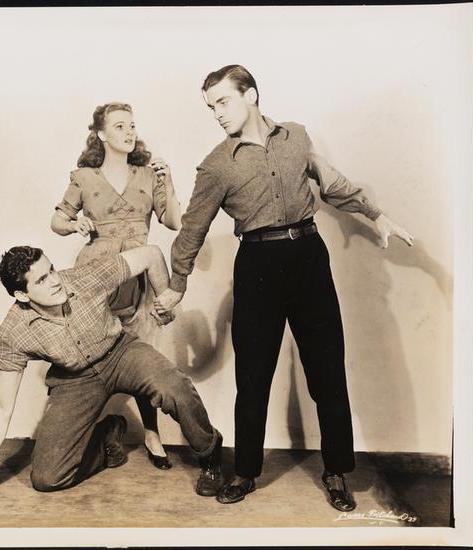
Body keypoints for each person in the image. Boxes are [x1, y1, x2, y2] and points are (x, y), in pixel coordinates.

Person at [154, 65, 413, 510]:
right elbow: (193, 228)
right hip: (257, 266)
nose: (217, 114)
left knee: (327, 371)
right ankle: (245, 471)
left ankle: (336, 471)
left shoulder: (296, 136)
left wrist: (376, 215)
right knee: (253, 376)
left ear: (251, 95)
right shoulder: (216, 165)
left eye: (223, 102)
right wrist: (177, 285)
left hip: (309, 257)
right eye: (211, 107)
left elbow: (332, 183)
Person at [0, 244, 223, 504]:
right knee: (47, 478)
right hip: (75, 379)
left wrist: (164, 299)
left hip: (120, 352)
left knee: (174, 386)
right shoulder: (13, 333)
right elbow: (1, 406)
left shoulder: (86, 277)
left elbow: (151, 254)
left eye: (52, 270)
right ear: (22, 295)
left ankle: (210, 455)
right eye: (42, 280)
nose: (55, 281)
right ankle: (107, 436)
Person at [50, 102, 182, 469]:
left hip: (140, 275)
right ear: (101, 134)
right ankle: (85, 431)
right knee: (87, 353)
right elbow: (57, 221)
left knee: (143, 355)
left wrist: (169, 182)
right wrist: (73, 225)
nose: (129, 131)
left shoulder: (148, 175)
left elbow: (174, 221)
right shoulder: (84, 177)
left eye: (132, 125)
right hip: (96, 276)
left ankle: (152, 434)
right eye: (120, 126)